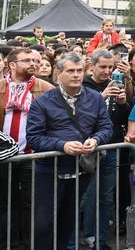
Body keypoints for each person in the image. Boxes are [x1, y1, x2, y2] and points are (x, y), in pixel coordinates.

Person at [26, 52, 113, 250]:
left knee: (68, 222)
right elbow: (34, 137)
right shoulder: (42, 101)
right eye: (71, 71)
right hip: (49, 171)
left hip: (81, 169)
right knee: (44, 224)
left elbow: (106, 127)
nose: (76, 75)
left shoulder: (95, 99)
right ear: (58, 73)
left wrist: (96, 139)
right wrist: (61, 145)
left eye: (80, 71)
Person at [0, 47, 54, 249]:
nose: (33, 63)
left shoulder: (47, 89)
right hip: (4, 157)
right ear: (12, 65)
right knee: (6, 203)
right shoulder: (1, 87)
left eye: (34, 60)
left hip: (34, 155)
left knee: (32, 204)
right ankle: (10, 243)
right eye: (26, 60)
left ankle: (31, 244)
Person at [80, 49, 131, 250]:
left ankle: (100, 240)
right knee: (88, 194)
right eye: (103, 67)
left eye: (110, 67)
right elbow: (82, 114)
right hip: (90, 147)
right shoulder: (83, 84)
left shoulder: (118, 84)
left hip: (113, 145)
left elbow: (124, 117)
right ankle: (86, 234)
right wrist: (102, 96)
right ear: (92, 65)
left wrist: (122, 102)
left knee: (106, 195)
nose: (107, 71)